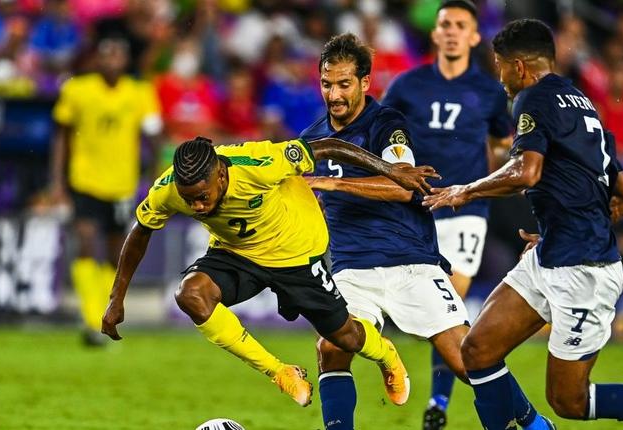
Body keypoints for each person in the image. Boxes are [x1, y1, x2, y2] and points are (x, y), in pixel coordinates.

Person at [424, 19, 623, 430]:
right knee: (477, 350)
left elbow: (526, 172)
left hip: (585, 271)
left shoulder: (532, 99)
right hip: (553, 252)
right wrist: (564, 227)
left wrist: (467, 191)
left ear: (519, 67)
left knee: (569, 400)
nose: (499, 79)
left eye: (500, 66)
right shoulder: (581, 103)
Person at [100, 135, 438, 407]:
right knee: (191, 295)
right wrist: (117, 298)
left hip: (298, 251)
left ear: (220, 174)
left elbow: (328, 146)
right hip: (237, 253)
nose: (197, 206)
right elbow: (140, 231)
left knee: (344, 337)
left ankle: (386, 354)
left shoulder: (259, 162)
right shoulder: (169, 189)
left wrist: (392, 170)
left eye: (202, 197)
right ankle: (281, 373)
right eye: (190, 201)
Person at [302, 33, 473, 430]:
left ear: (364, 83)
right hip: (351, 267)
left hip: (409, 259)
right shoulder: (310, 141)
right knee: (331, 348)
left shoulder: (386, 124)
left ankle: (533, 423)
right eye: (327, 84)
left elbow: (404, 185)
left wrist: (331, 183)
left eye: (344, 84)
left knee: (468, 362)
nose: (335, 94)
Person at [381, 2, 514, 427]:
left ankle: (438, 403)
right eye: (446, 25)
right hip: (418, 207)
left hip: (467, 208)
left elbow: (502, 143)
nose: (453, 32)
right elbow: (383, 135)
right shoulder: (407, 86)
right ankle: (455, 397)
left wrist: (479, 182)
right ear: (435, 34)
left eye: (461, 26)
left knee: (450, 296)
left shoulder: (491, 91)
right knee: (431, 306)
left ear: (475, 37)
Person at [49, 37, 162, 345]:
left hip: (121, 186)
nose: (111, 61)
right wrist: (57, 182)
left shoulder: (140, 93)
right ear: (97, 60)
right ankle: (90, 318)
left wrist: (155, 182)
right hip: (84, 181)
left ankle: (103, 314)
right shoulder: (77, 89)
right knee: (85, 242)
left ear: (125, 61)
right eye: (106, 55)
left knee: (115, 254)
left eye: (117, 55)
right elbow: (61, 136)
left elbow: (153, 137)